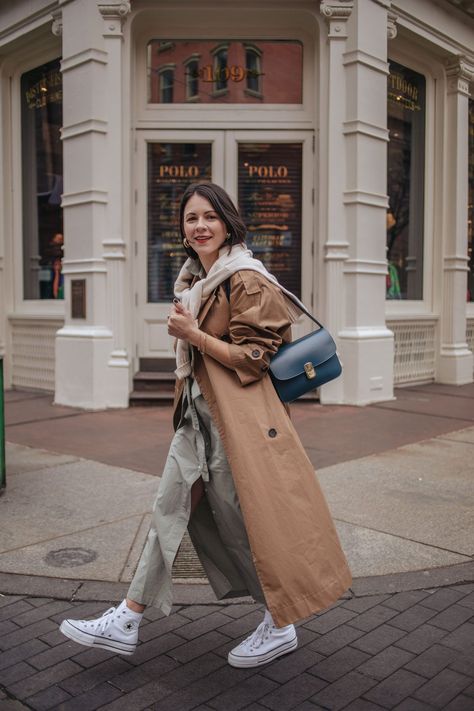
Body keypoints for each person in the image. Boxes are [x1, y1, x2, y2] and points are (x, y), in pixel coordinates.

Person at [59, 182, 351, 668]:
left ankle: (280, 622)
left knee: (244, 524)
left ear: (228, 222)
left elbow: (256, 358)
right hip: (200, 418)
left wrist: (193, 333)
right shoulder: (199, 280)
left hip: (240, 423)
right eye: (190, 219)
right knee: (168, 510)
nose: (199, 226)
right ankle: (127, 619)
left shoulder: (246, 278)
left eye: (209, 217)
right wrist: (192, 333)